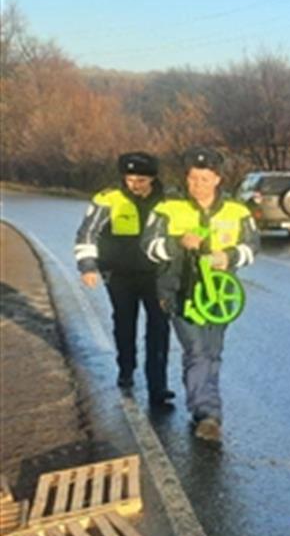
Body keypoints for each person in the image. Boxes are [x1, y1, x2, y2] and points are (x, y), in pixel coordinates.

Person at [143, 146, 259, 443]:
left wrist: (230, 257)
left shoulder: (237, 211)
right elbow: (149, 246)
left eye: (205, 179)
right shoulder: (167, 208)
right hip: (179, 293)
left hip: (219, 299)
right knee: (196, 351)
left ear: (217, 179)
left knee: (213, 353)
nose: (197, 185)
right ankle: (207, 413)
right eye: (193, 178)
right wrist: (177, 242)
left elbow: (252, 248)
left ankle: (204, 404)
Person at [75, 151, 174, 409]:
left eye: (141, 179)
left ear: (153, 178)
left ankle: (158, 385)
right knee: (124, 323)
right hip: (120, 276)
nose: (135, 185)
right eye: (130, 179)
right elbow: (87, 233)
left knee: (159, 329)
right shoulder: (108, 199)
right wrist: (88, 266)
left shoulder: (169, 199)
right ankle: (126, 368)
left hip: (158, 275)